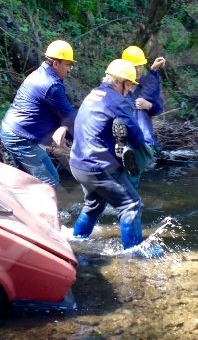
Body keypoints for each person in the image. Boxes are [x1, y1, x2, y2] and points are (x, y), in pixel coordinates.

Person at [69, 59, 162, 258]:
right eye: (129, 86)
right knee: (130, 204)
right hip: (98, 167)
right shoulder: (117, 101)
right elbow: (136, 136)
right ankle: (134, 253)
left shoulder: (94, 93)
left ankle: (75, 241)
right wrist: (144, 147)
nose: (130, 91)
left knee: (94, 204)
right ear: (121, 82)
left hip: (78, 163)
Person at [0, 40, 77, 188]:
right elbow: (69, 116)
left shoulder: (42, 73)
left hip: (13, 131)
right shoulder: (51, 84)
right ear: (55, 64)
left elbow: (61, 115)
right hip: (19, 137)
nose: (69, 69)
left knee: (30, 181)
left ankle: (21, 208)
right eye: (67, 64)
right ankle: (49, 211)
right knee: (49, 185)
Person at [119, 45, 166, 185]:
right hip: (122, 136)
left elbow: (158, 108)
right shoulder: (117, 84)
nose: (138, 70)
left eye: (140, 66)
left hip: (139, 138)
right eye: (135, 67)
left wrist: (149, 105)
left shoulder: (145, 83)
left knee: (132, 175)